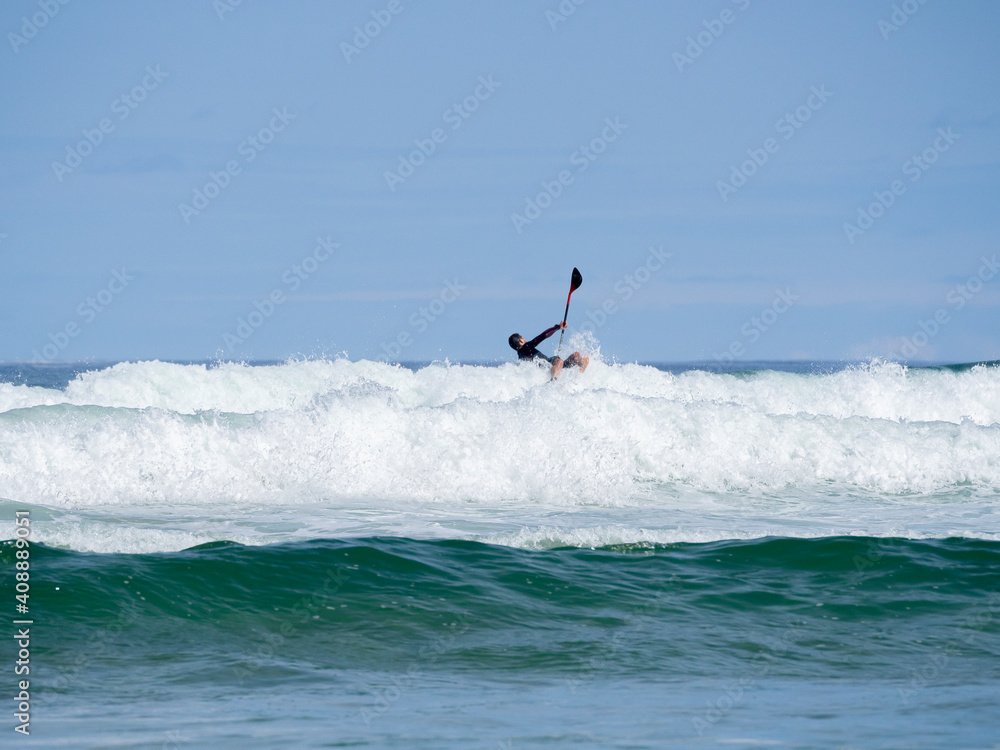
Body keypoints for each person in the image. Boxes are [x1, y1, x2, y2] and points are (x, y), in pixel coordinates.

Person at [508, 321, 589, 378]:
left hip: (552, 367)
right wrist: (558, 327)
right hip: (551, 367)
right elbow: (542, 336)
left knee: (576, 355)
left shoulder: (520, 356)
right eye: (523, 337)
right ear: (521, 340)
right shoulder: (526, 348)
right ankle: (554, 381)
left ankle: (581, 368)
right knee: (563, 360)